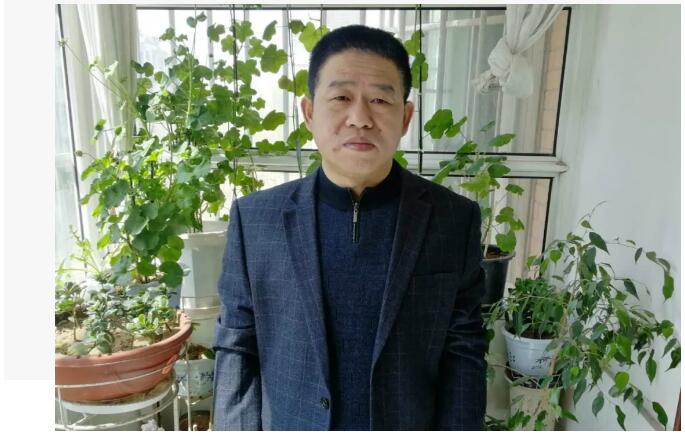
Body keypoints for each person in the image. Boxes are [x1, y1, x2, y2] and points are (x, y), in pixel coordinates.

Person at [212, 24, 487, 431]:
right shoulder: (255, 220)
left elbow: (463, 351)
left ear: (405, 117)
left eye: (380, 99)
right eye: (341, 98)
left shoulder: (453, 219)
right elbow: (237, 347)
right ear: (309, 112)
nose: (360, 118)